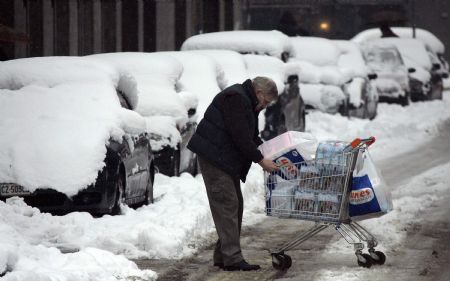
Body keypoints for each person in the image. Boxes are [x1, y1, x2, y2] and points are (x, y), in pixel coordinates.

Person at [187, 76, 280, 271]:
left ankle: (223, 255)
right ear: (259, 93)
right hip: (214, 157)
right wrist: (261, 160)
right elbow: (239, 135)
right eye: (265, 102)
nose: (264, 106)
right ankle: (232, 258)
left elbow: (250, 136)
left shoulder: (246, 100)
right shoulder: (235, 98)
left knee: (234, 204)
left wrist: (270, 151)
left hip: (223, 158)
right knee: (227, 203)